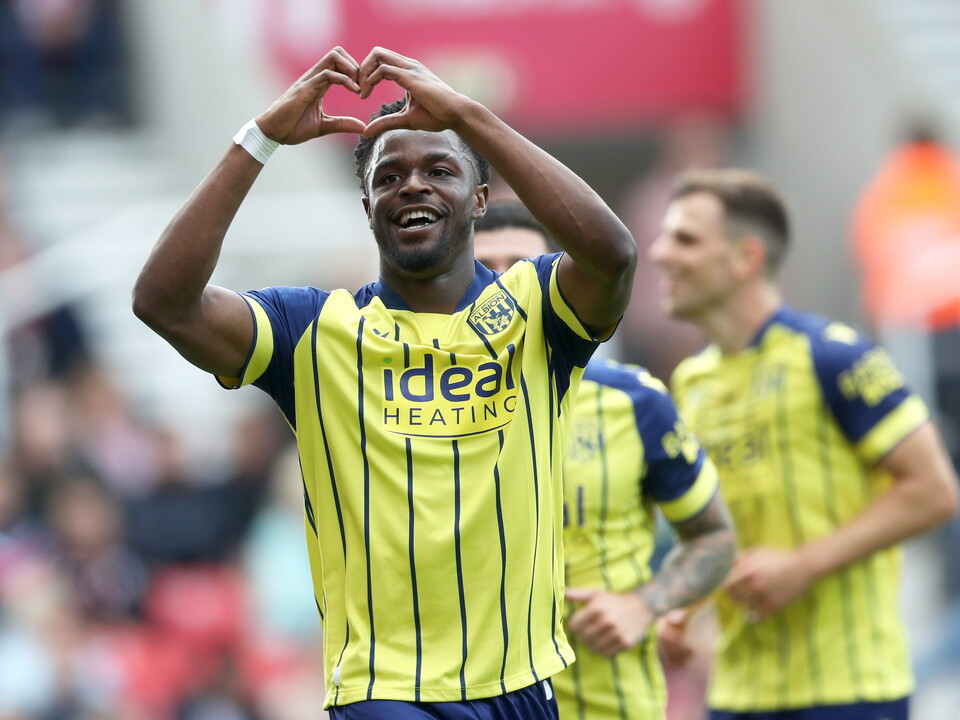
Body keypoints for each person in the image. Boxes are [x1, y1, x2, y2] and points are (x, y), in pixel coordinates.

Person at [132, 46, 638, 719]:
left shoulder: (537, 309)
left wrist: (467, 115)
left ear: (480, 198)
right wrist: (260, 140)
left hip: (521, 682)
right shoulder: (311, 330)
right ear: (368, 206)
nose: (413, 185)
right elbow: (163, 302)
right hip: (386, 690)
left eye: (440, 170)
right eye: (389, 175)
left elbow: (613, 255)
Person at [649, 168, 960, 720]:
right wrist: (681, 608)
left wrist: (802, 566)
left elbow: (935, 492)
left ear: (745, 258)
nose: (659, 253)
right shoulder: (691, 382)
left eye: (685, 239)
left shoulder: (834, 356)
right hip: (737, 694)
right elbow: (717, 527)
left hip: (849, 692)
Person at [474, 200, 736, 720]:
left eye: (519, 268)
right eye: (483, 269)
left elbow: (715, 538)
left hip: (612, 705)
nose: (501, 285)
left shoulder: (633, 401)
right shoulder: (413, 409)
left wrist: (645, 605)